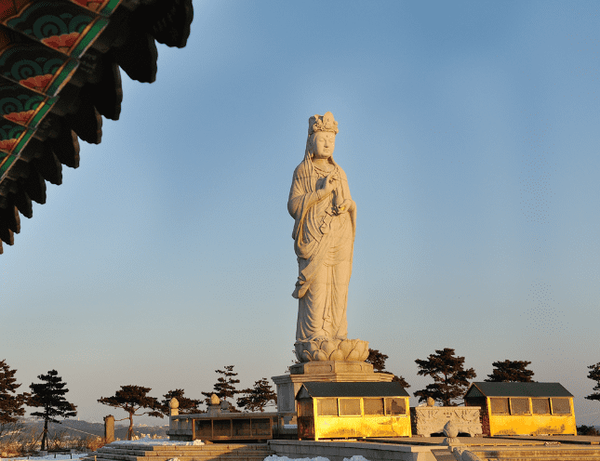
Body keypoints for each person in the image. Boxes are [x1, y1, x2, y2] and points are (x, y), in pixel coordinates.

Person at [288, 112, 356, 346]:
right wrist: (321, 193)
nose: (327, 144)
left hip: (340, 235)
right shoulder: (303, 171)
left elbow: (349, 202)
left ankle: (338, 334)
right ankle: (315, 334)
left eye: (331, 139)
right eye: (322, 138)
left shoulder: (340, 172)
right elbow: (293, 205)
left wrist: (347, 205)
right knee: (318, 286)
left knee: (339, 286)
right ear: (310, 142)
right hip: (315, 237)